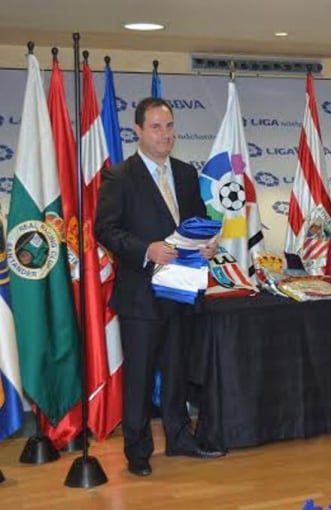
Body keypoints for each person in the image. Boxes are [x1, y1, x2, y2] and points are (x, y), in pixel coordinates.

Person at [95, 97, 223, 477]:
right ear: (137, 130)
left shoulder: (185, 173)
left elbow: (197, 221)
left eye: (169, 126)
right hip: (141, 295)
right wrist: (146, 249)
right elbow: (105, 229)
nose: (165, 134)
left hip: (182, 290)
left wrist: (208, 243)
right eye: (156, 127)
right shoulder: (119, 176)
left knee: (177, 368)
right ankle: (137, 450)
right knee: (139, 375)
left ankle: (180, 437)